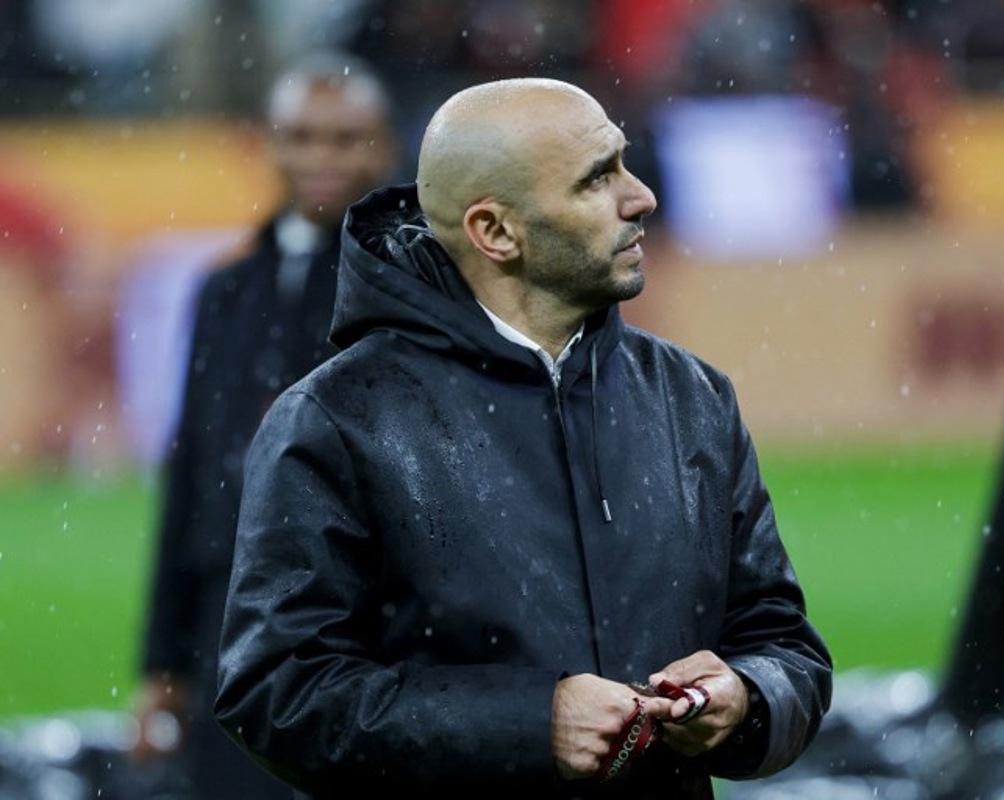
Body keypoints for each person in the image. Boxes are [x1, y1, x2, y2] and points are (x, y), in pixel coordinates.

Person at [214, 78, 831, 799]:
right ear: (496, 232)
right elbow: (278, 692)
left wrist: (745, 698)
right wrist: (529, 724)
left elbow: (782, 643)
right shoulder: (336, 418)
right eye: (598, 178)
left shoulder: (691, 398)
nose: (641, 198)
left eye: (623, 164)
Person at [133, 53, 396, 798]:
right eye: (302, 137)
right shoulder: (226, 290)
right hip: (229, 618)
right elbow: (190, 470)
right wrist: (162, 661)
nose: (321, 158)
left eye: (344, 139)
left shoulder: (413, 283)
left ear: (383, 146)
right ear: (270, 144)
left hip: (365, 616)